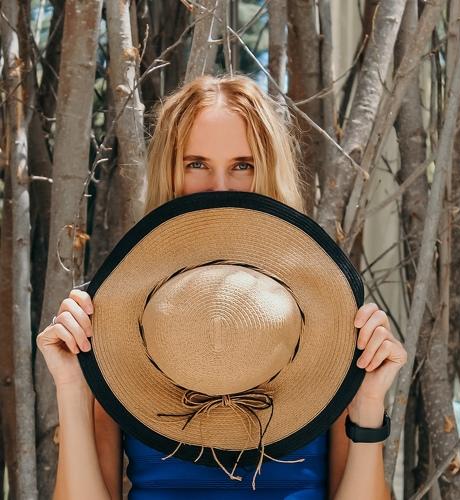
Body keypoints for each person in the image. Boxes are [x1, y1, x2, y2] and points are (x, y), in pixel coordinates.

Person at [37, 73, 407, 500]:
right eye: (196, 164)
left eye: (242, 165)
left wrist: (368, 404)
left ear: (268, 170)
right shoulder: (121, 324)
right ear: (169, 171)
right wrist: (72, 388)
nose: (220, 187)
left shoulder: (328, 320)